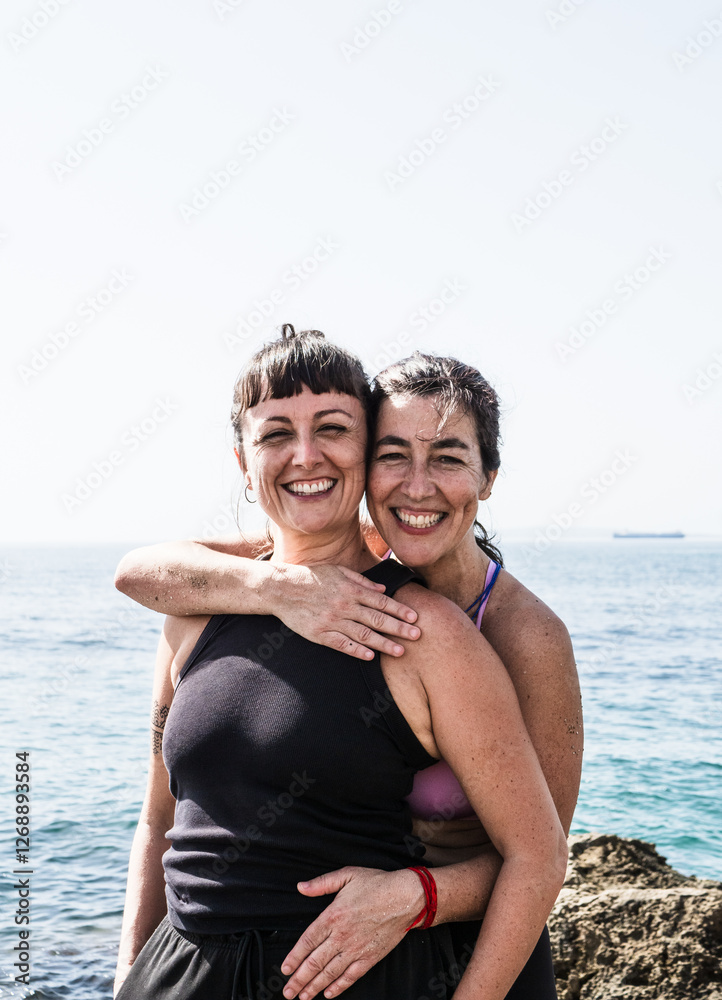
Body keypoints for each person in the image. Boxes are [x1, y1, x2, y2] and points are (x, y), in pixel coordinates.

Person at [113, 328, 572, 1000]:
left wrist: (414, 896)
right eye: (275, 435)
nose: (306, 455)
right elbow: (159, 821)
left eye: (332, 428)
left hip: (392, 956)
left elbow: (537, 854)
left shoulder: (460, 631)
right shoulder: (206, 598)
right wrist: (131, 975)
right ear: (242, 460)